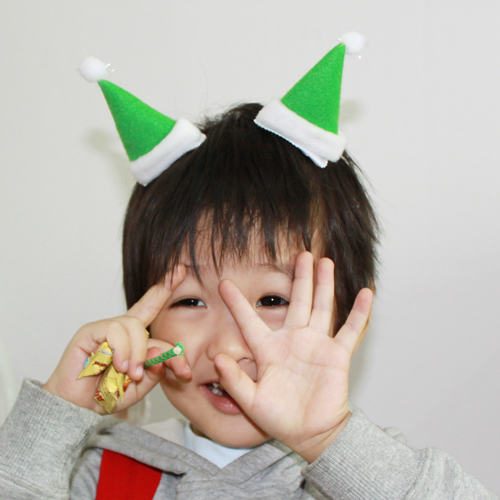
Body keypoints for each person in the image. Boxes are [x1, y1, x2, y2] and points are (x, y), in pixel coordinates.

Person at [0, 39, 498, 499]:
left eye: (273, 300)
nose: (228, 350)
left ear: (344, 316)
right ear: (143, 321)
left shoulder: (367, 480)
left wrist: (327, 438)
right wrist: (58, 415)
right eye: (190, 301)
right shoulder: (96, 474)